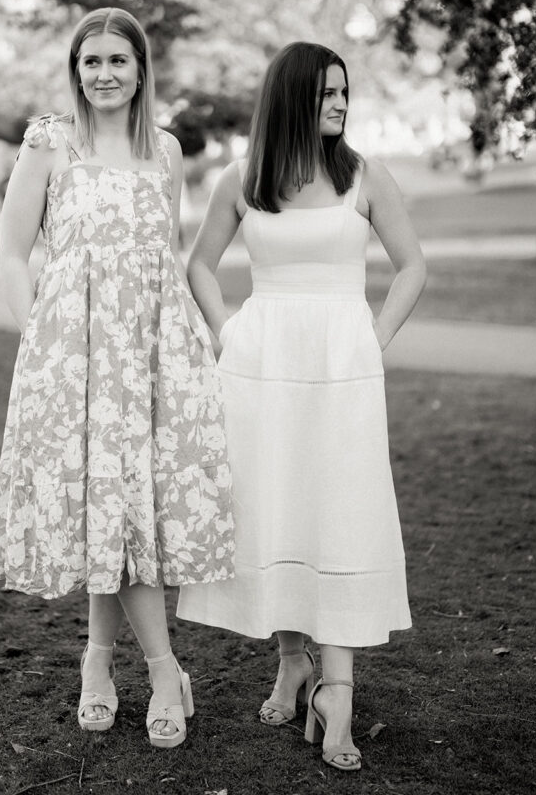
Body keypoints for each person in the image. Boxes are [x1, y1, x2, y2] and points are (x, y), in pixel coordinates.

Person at [177, 41, 426, 772]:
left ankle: (337, 692)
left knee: (340, 508)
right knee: (276, 504)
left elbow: (413, 266)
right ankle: (292, 663)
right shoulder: (244, 178)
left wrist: (375, 338)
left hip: (343, 365)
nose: (341, 104)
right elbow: (199, 264)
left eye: (345, 92)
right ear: (292, 99)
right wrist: (226, 330)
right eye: (327, 94)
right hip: (260, 365)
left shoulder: (365, 176)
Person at [0, 7, 234, 749]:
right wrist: (39, 340)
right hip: (74, 355)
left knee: (125, 512)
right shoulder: (49, 144)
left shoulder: (165, 150)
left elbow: (167, 258)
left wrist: (198, 343)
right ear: (75, 70)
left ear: (140, 70)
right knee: (108, 506)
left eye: (117, 60)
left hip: (155, 354)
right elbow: (11, 251)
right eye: (91, 61)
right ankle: (163, 671)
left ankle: (98, 662)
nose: (104, 74)